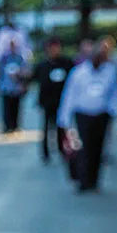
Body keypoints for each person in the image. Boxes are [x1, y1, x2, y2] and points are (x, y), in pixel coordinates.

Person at [60, 36, 117, 193]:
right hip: (83, 114)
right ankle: (83, 180)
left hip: (102, 114)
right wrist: (64, 118)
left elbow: (116, 92)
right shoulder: (79, 73)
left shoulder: (110, 71)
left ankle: (94, 181)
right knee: (84, 148)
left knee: (98, 149)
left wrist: (114, 109)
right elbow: (70, 95)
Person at [35, 37, 77, 165]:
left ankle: (62, 150)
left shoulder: (66, 63)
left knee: (62, 128)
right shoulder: (43, 65)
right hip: (48, 102)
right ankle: (45, 153)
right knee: (47, 128)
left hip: (62, 101)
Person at [0, 31, 33, 136]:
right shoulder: (4, 58)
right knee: (6, 108)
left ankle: (15, 126)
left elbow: (26, 72)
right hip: (6, 87)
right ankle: (7, 127)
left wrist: (22, 78)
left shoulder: (20, 58)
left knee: (16, 108)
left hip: (17, 87)